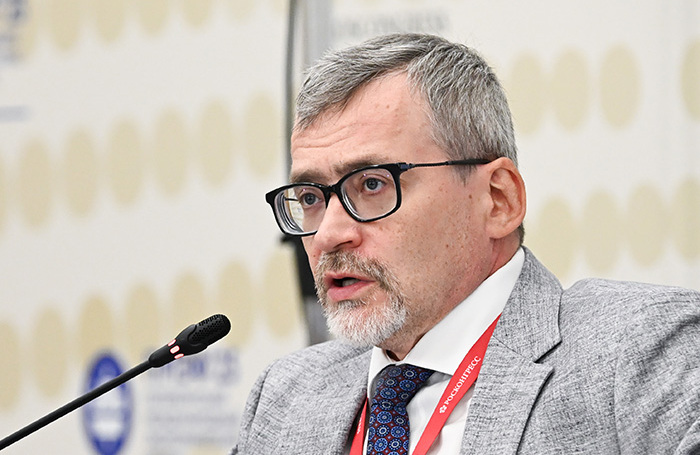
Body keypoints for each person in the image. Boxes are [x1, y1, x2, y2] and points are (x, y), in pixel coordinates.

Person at [231, 33, 700, 454]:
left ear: (498, 200)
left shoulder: (637, 352)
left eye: (372, 184)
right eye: (311, 198)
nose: (329, 234)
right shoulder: (285, 397)